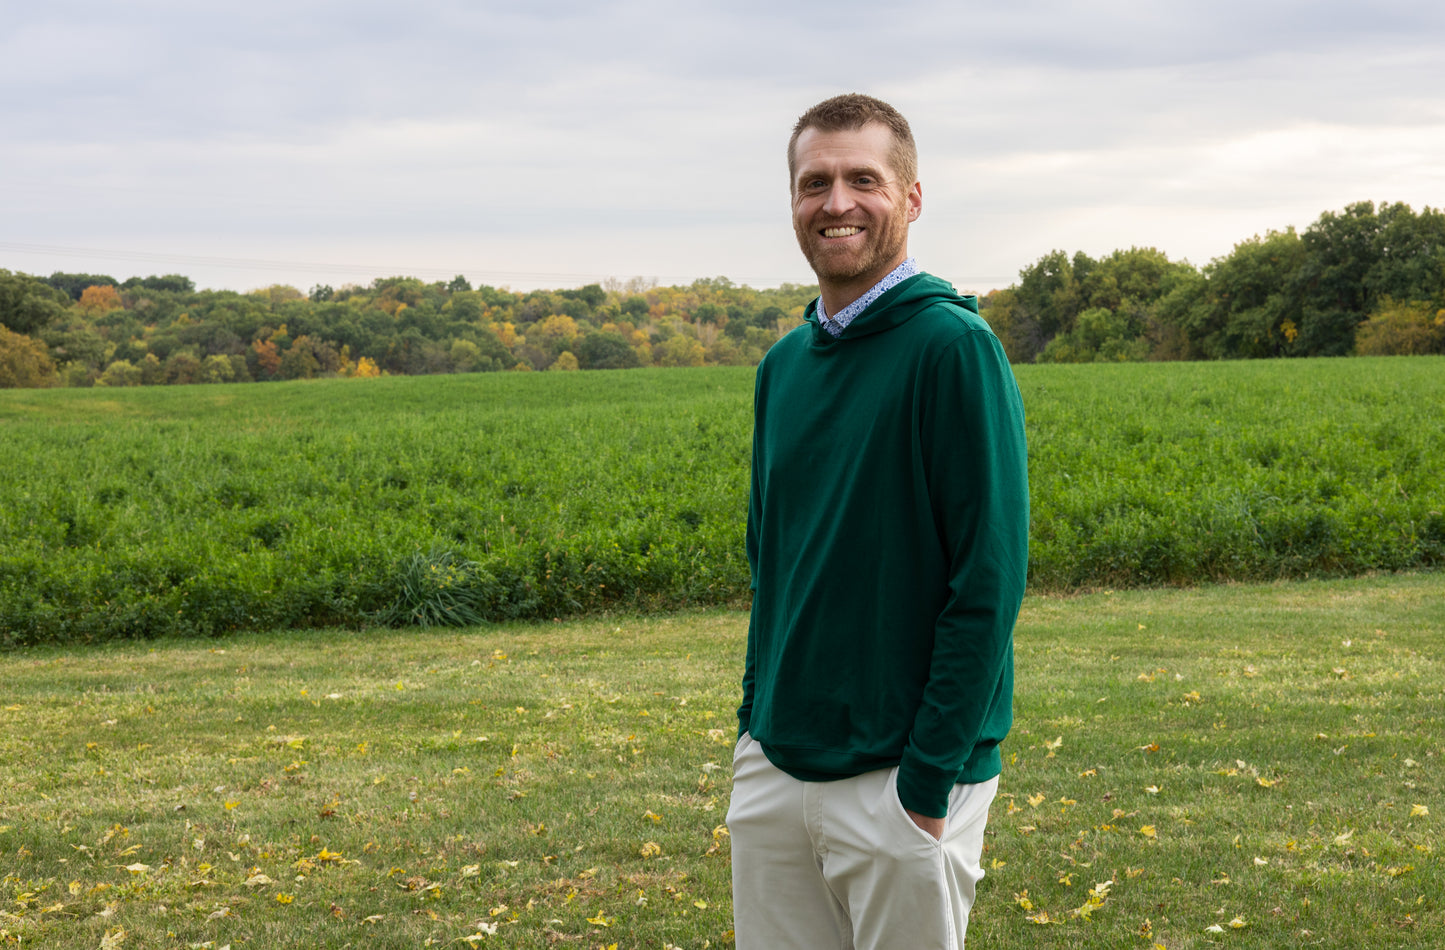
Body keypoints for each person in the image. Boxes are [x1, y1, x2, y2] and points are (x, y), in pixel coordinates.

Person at [727, 93, 1030, 949]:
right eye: (813, 182)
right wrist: (754, 725)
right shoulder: (783, 365)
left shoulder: (951, 348)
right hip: (776, 769)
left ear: (910, 198)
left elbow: (988, 579)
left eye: (863, 179)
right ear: (792, 201)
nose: (836, 203)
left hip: (900, 778)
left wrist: (926, 785)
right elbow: (771, 563)